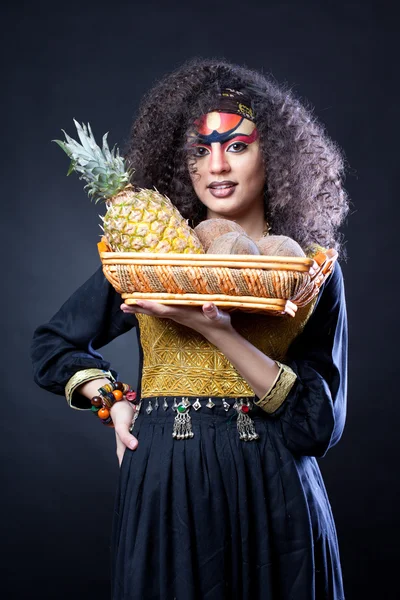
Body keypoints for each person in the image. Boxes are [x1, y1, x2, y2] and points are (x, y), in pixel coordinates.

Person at [31, 58, 348, 600]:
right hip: (166, 487)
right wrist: (112, 401)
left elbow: (318, 427)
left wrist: (220, 332)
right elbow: (53, 343)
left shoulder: (311, 270)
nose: (217, 167)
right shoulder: (149, 260)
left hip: (275, 494)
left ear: (275, 155)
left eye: (237, 146)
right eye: (200, 151)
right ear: (182, 164)